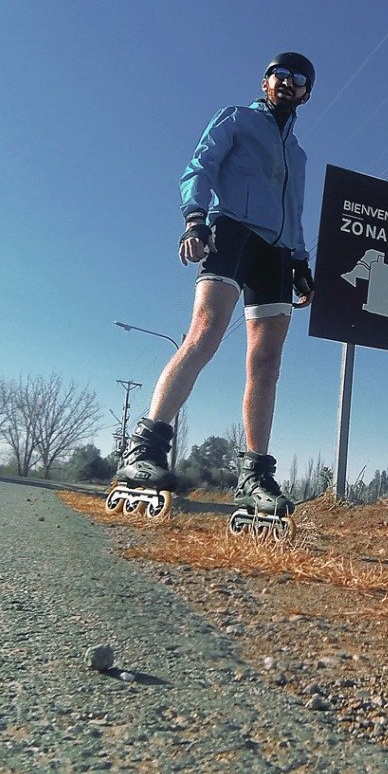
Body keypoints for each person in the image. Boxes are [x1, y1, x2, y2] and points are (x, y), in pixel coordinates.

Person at [115, 52, 317, 518]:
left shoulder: (300, 155)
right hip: (231, 231)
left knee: (266, 364)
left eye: (298, 79)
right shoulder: (237, 118)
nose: (287, 83)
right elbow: (199, 167)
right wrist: (195, 219)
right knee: (204, 335)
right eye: (279, 75)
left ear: (306, 93)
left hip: (279, 252)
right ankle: (144, 449)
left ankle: (254, 477)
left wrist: (302, 262)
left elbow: (296, 211)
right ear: (266, 82)